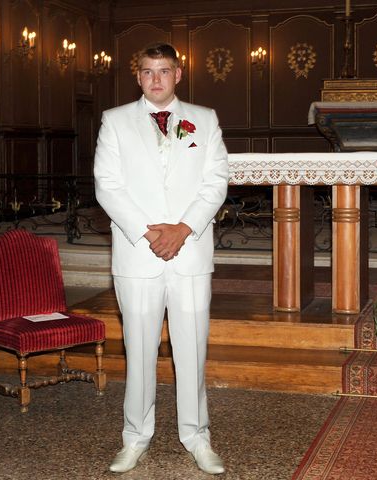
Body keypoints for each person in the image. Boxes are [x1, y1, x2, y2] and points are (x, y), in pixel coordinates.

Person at [93, 42, 229, 475]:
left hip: (189, 252)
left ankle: (197, 436)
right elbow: (107, 186)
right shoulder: (114, 122)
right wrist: (150, 233)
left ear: (178, 74)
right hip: (138, 253)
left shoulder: (204, 120)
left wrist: (184, 228)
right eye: (148, 71)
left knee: (192, 349)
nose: (156, 79)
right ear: (138, 76)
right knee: (139, 349)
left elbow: (216, 182)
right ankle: (135, 437)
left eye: (164, 71)